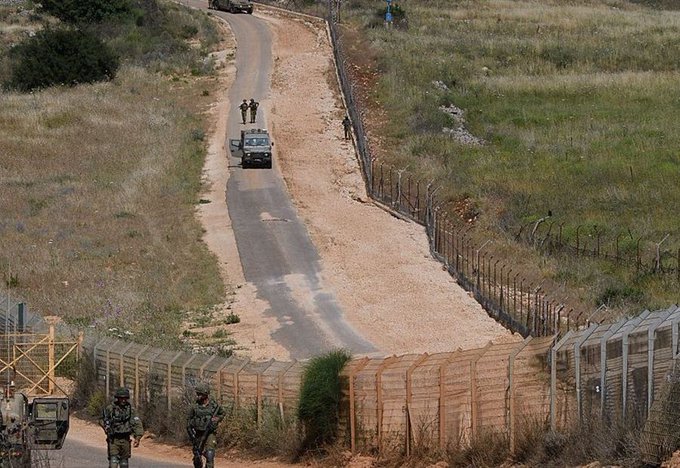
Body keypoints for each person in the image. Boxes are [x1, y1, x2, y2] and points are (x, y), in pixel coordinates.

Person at [100, 387, 143, 468]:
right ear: (117, 398)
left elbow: (137, 424)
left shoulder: (131, 410)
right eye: (121, 398)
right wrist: (106, 426)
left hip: (125, 439)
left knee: (124, 463)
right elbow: (102, 419)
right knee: (113, 462)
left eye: (125, 398)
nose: (123, 400)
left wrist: (138, 438)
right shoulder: (110, 409)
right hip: (114, 439)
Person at [186, 383, 226, 468]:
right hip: (198, 433)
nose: (198, 396)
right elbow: (188, 422)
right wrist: (192, 435)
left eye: (200, 394)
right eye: (198, 394)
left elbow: (222, 413)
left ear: (205, 394)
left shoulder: (213, 405)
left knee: (210, 453)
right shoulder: (195, 406)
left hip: (210, 433)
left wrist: (216, 419)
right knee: (197, 455)